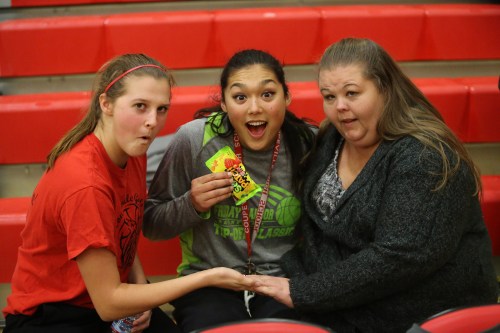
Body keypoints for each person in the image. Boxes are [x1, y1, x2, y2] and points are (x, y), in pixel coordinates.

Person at [247, 38, 499, 333]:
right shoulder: (333, 137)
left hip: (414, 315)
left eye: (352, 93)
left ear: (385, 89)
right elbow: (321, 227)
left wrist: (305, 291)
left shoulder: (424, 156)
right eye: (329, 96)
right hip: (339, 299)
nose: (340, 107)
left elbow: (398, 258)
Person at [2, 53, 252, 333]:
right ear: (106, 103)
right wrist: (208, 278)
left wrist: (140, 290)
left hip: (107, 299)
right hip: (52, 316)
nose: (152, 122)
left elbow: (122, 233)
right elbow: (109, 303)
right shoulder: (86, 184)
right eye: (140, 106)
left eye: (161, 109)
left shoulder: (131, 149)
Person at [143, 49, 317, 332]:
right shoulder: (195, 139)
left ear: (286, 97)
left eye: (267, 94)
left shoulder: (309, 143)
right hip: (209, 281)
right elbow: (151, 225)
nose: (254, 108)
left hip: (284, 281)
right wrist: (192, 205)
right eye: (240, 97)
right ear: (223, 103)